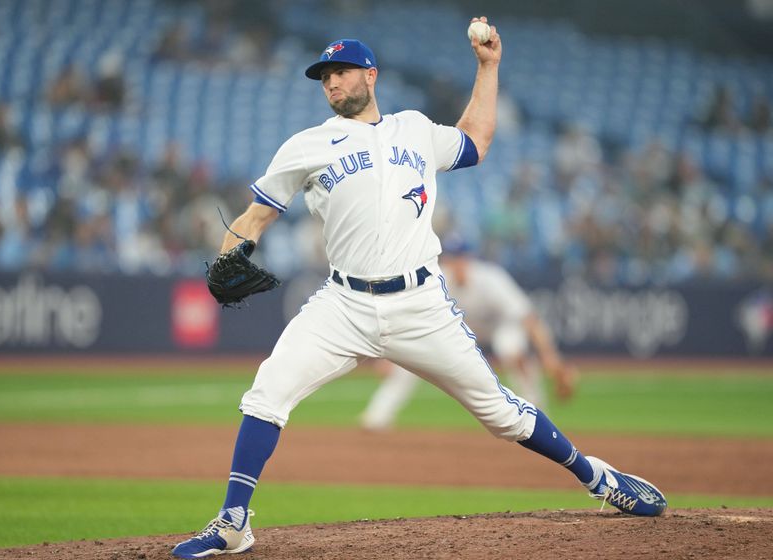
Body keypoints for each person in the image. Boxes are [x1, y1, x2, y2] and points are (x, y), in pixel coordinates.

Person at [173, 17, 667, 559]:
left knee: (501, 414)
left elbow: (476, 140)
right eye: (324, 76)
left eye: (340, 71)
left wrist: (488, 66)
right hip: (343, 303)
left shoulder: (414, 128)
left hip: (421, 304)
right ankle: (233, 522)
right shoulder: (306, 145)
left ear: (371, 75)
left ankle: (597, 476)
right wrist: (227, 255)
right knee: (267, 392)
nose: (331, 82)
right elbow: (255, 215)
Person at [360, 236, 577, 431]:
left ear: (470, 259)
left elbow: (528, 318)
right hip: (460, 329)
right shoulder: (438, 279)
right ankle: (378, 416)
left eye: (461, 257)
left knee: (509, 346)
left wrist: (551, 359)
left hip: (498, 326)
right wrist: (389, 356)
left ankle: (535, 411)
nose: (457, 263)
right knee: (409, 358)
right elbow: (412, 318)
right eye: (452, 258)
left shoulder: (491, 278)